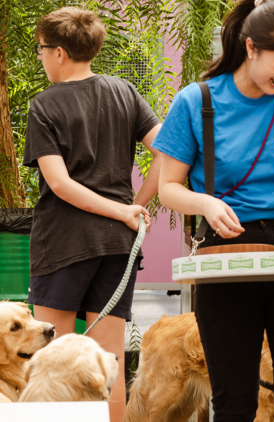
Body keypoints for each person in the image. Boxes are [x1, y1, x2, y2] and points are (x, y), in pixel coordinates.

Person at [153, 0, 274, 420]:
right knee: (234, 400)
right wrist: (205, 203)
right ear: (251, 47)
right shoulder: (196, 101)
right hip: (228, 251)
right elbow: (168, 188)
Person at [21, 7, 162, 422]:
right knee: (108, 359)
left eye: (42, 51)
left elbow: (61, 185)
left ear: (60, 52)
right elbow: (168, 150)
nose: (42, 58)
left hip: (63, 243)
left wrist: (126, 209)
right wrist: (135, 204)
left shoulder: (44, 106)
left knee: (52, 355)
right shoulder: (125, 92)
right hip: (117, 246)